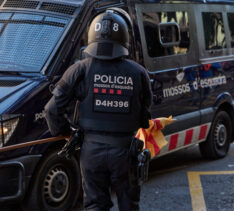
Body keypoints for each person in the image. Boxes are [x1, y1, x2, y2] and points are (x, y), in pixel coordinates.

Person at [45, 9, 153, 211]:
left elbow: (51, 109)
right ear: (124, 38)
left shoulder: (79, 69)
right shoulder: (139, 73)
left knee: (95, 205)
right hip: (125, 151)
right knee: (129, 205)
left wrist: (65, 133)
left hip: (91, 151)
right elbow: (146, 111)